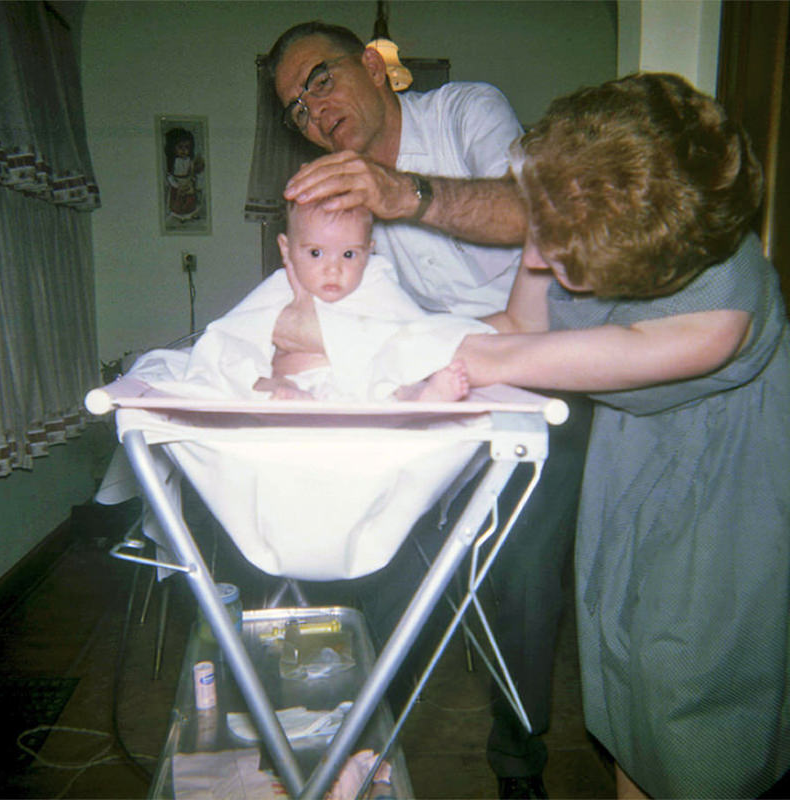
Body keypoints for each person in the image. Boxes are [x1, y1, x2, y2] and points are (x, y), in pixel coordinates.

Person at [267, 21, 593, 798]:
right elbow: (341, 302)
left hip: (538, 365)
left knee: (518, 574)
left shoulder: (465, 111)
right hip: (439, 377)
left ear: (377, 68)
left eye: (319, 80)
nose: (311, 112)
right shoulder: (342, 195)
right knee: (370, 534)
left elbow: (532, 214)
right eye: (294, 108)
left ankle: (518, 762)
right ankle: (350, 742)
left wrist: (401, 193)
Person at [454, 72, 790, 799]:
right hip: (635, 475)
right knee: (626, 682)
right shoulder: (571, 214)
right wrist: (379, 347)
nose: (534, 258)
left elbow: (503, 355)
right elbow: (517, 325)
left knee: (692, 700)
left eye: (555, 253)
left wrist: (428, 355)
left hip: (723, 501)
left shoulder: (722, 310)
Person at [250, 198, 480, 402]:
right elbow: (236, 335)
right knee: (258, 382)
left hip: (364, 385)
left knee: (399, 374)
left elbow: (412, 332)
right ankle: (293, 398)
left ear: (368, 253)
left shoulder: (375, 286)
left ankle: (420, 396)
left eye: (349, 255)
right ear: (286, 248)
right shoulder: (279, 288)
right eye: (315, 253)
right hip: (296, 382)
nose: (333, 270)